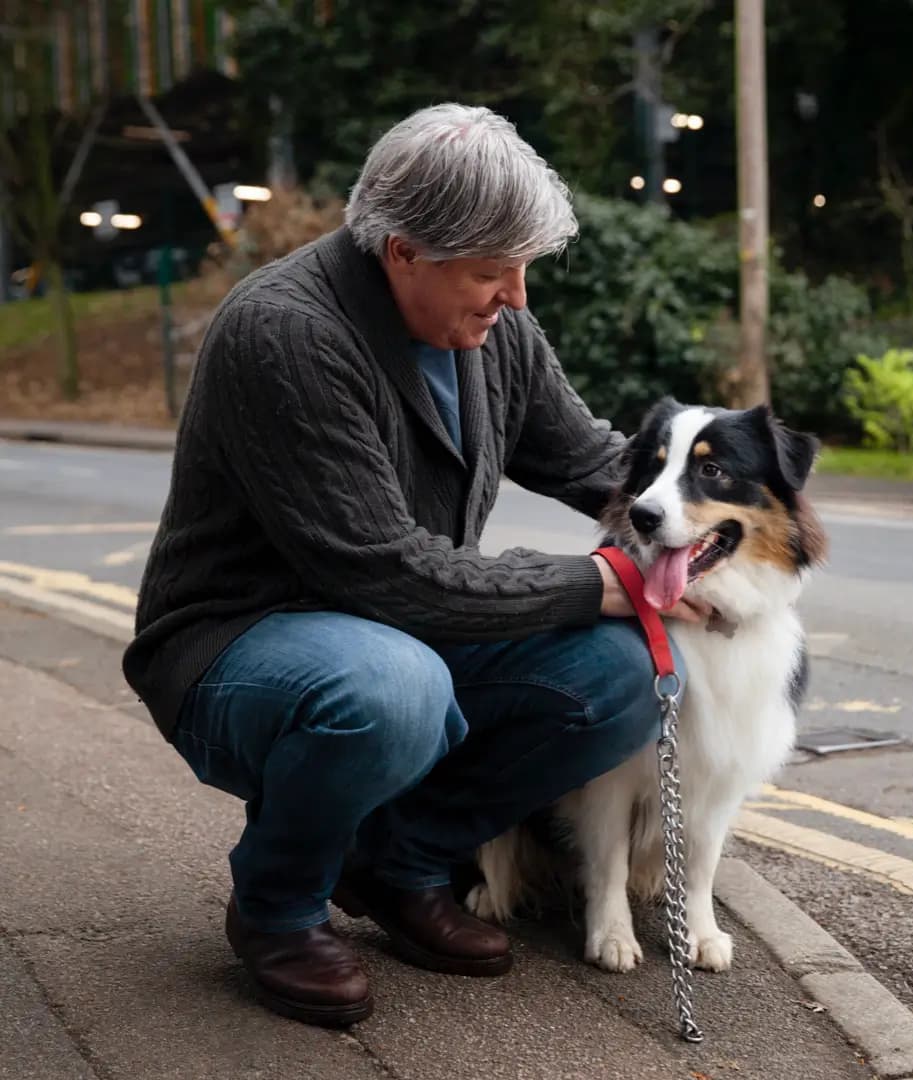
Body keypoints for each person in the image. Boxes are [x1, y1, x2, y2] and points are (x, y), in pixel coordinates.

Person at [123, 103, 705, 1028]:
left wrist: (710, 524)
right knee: (394, 690)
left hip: (405, 630)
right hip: (245, 643)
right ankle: (277, 907)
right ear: (402, 251)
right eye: (491, 273)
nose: (515, 296)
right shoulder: (285, 334)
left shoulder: (494, 325)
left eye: (522, 269)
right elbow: (384, 572)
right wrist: (601, 582)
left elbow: (596, 462)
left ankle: (398, 864)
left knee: (620, 678)